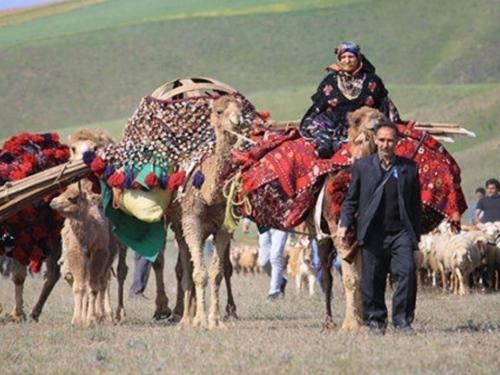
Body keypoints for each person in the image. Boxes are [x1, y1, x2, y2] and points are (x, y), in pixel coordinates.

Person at [337, 120, 421, 334]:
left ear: (397, 142)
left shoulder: (408, 168)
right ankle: (376, 321)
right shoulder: (362, 167)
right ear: (375, 141)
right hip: (373, 232)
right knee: (372, 280)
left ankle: (403, 321)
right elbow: (351, 200)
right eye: (382, 140)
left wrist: (415, 238)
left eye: (390, 140)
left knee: (407, 273)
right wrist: (344, 223)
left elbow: (415, 205)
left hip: (400, 233)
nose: (386, 144)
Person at [300, 41, 400, 158]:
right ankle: (325, 151)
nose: (347, 61)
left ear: (358, 58)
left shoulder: (372, 81)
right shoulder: (330, 81)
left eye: (351, 57)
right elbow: (318, 107)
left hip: (365, 127)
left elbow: (385, 106)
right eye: (343, 57)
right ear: (339, 59)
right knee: (320, 126)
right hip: (333, 128)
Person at [257, 228, 289, 302]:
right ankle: (281, 280)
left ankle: (274, 292)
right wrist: (247, 221)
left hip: (281, 224)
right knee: (263, 261)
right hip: (264, 225)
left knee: (276, 257)